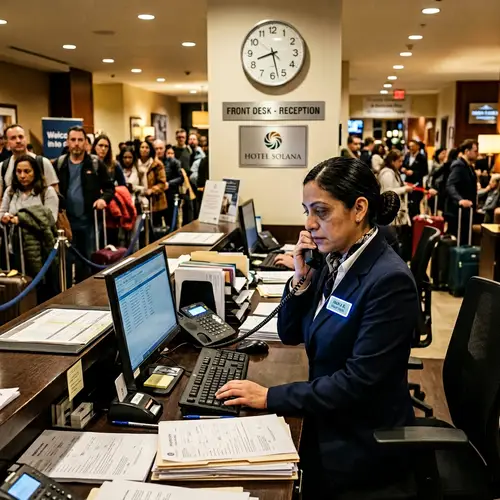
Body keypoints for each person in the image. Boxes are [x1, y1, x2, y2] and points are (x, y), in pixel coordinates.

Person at [216, 157, 418, 496]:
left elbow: (357, 384)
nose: (309, 224)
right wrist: (301, 278)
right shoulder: (334, 258)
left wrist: (270, 396)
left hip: (360, 441)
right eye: (306, 211)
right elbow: (290, 332)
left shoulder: (389, 280)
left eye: (320, 212)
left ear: (359, 209)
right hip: (328, 416)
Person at [56, 126, 115, 284]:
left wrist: (103, 199)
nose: (76, 143)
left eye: (80, 140)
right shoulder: (60, 164)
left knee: (87, 262)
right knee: (66, 262)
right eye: (73, 140)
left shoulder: (95, 164)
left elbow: (110, 188)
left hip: (89, 221)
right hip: (66, 222)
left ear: (86, 143)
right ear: (67, 142)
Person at [0, 154, 59, 302]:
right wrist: (5, 218)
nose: (22, 175)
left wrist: (21, 219)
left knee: (44, 292)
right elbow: (2, 212)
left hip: (43, 251)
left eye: (27, 171)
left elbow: (50, 218)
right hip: (15, 250)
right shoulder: (10, 191)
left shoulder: (47, 192)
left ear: (36, 172)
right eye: (18, 172)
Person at [0, 124, 59, 199]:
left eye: (21, 137)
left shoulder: (43, 163)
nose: (18, 141)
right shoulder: (2, 167)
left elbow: (55, 195)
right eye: (13, 138)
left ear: (26, 139)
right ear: (7, 143)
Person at [378, 150, 413, 260]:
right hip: (392, 215)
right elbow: (387, 192)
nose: (401, 163)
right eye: (399, 161)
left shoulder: (393, 172)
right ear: (392, 161)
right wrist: (404, 189)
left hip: (396, 214)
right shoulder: (387, 173)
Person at [445, 139, 479, 243]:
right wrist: (460, 200)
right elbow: (450, 185)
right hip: (457, 211)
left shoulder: (468, 166)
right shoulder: (459, 166)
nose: (477, 154)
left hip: (467, 209)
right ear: (467, 151)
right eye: (475, 151)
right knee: (458, 238)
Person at [135, 140, 167, 227]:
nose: (144, 150)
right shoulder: (135, 164)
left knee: (154, 227)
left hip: (154, 201)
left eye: (147, 147)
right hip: (138, 198)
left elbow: (162, 183)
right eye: (142, 147)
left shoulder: (157, 164)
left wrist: (152, 190)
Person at [154, 141, 183, 229]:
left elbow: (181, 178)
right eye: (156, 149)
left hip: (170, 197)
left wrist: (169, 184)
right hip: (157, 198)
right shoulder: (152, 163)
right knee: (156, 226)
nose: (159, 151)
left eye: (161, 148)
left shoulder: (174, 162)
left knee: (172, 225)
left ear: (164, 149)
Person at [402, 140, 428, 220]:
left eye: (413, 146)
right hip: (407, 183)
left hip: (417, 184)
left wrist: (413, 173)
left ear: (418, 146)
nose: (411, 148)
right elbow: (402, 166)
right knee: (407, 204)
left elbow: (425, 171)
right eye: (410, 146)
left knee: (415, 205)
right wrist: (403, 169)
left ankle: (415, 224)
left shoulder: (422, 158)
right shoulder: (407, 156)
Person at [119, 146, 147, 213]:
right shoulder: (117, 171)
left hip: (137, 204)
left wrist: (134, 188)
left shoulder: (140, 171)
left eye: (130, 157)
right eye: (125, 157)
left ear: (133, 158)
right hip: (121, 204)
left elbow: (145, 189)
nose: (127, 160)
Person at [427, 148, 447, 213]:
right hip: (434, 188)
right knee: (433, 207)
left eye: (445, 153)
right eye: (442, 153)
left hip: (442, 189)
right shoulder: (432, 164)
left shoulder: (446, 165)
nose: (444, 155)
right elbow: (429, 177)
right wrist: (429, 188)